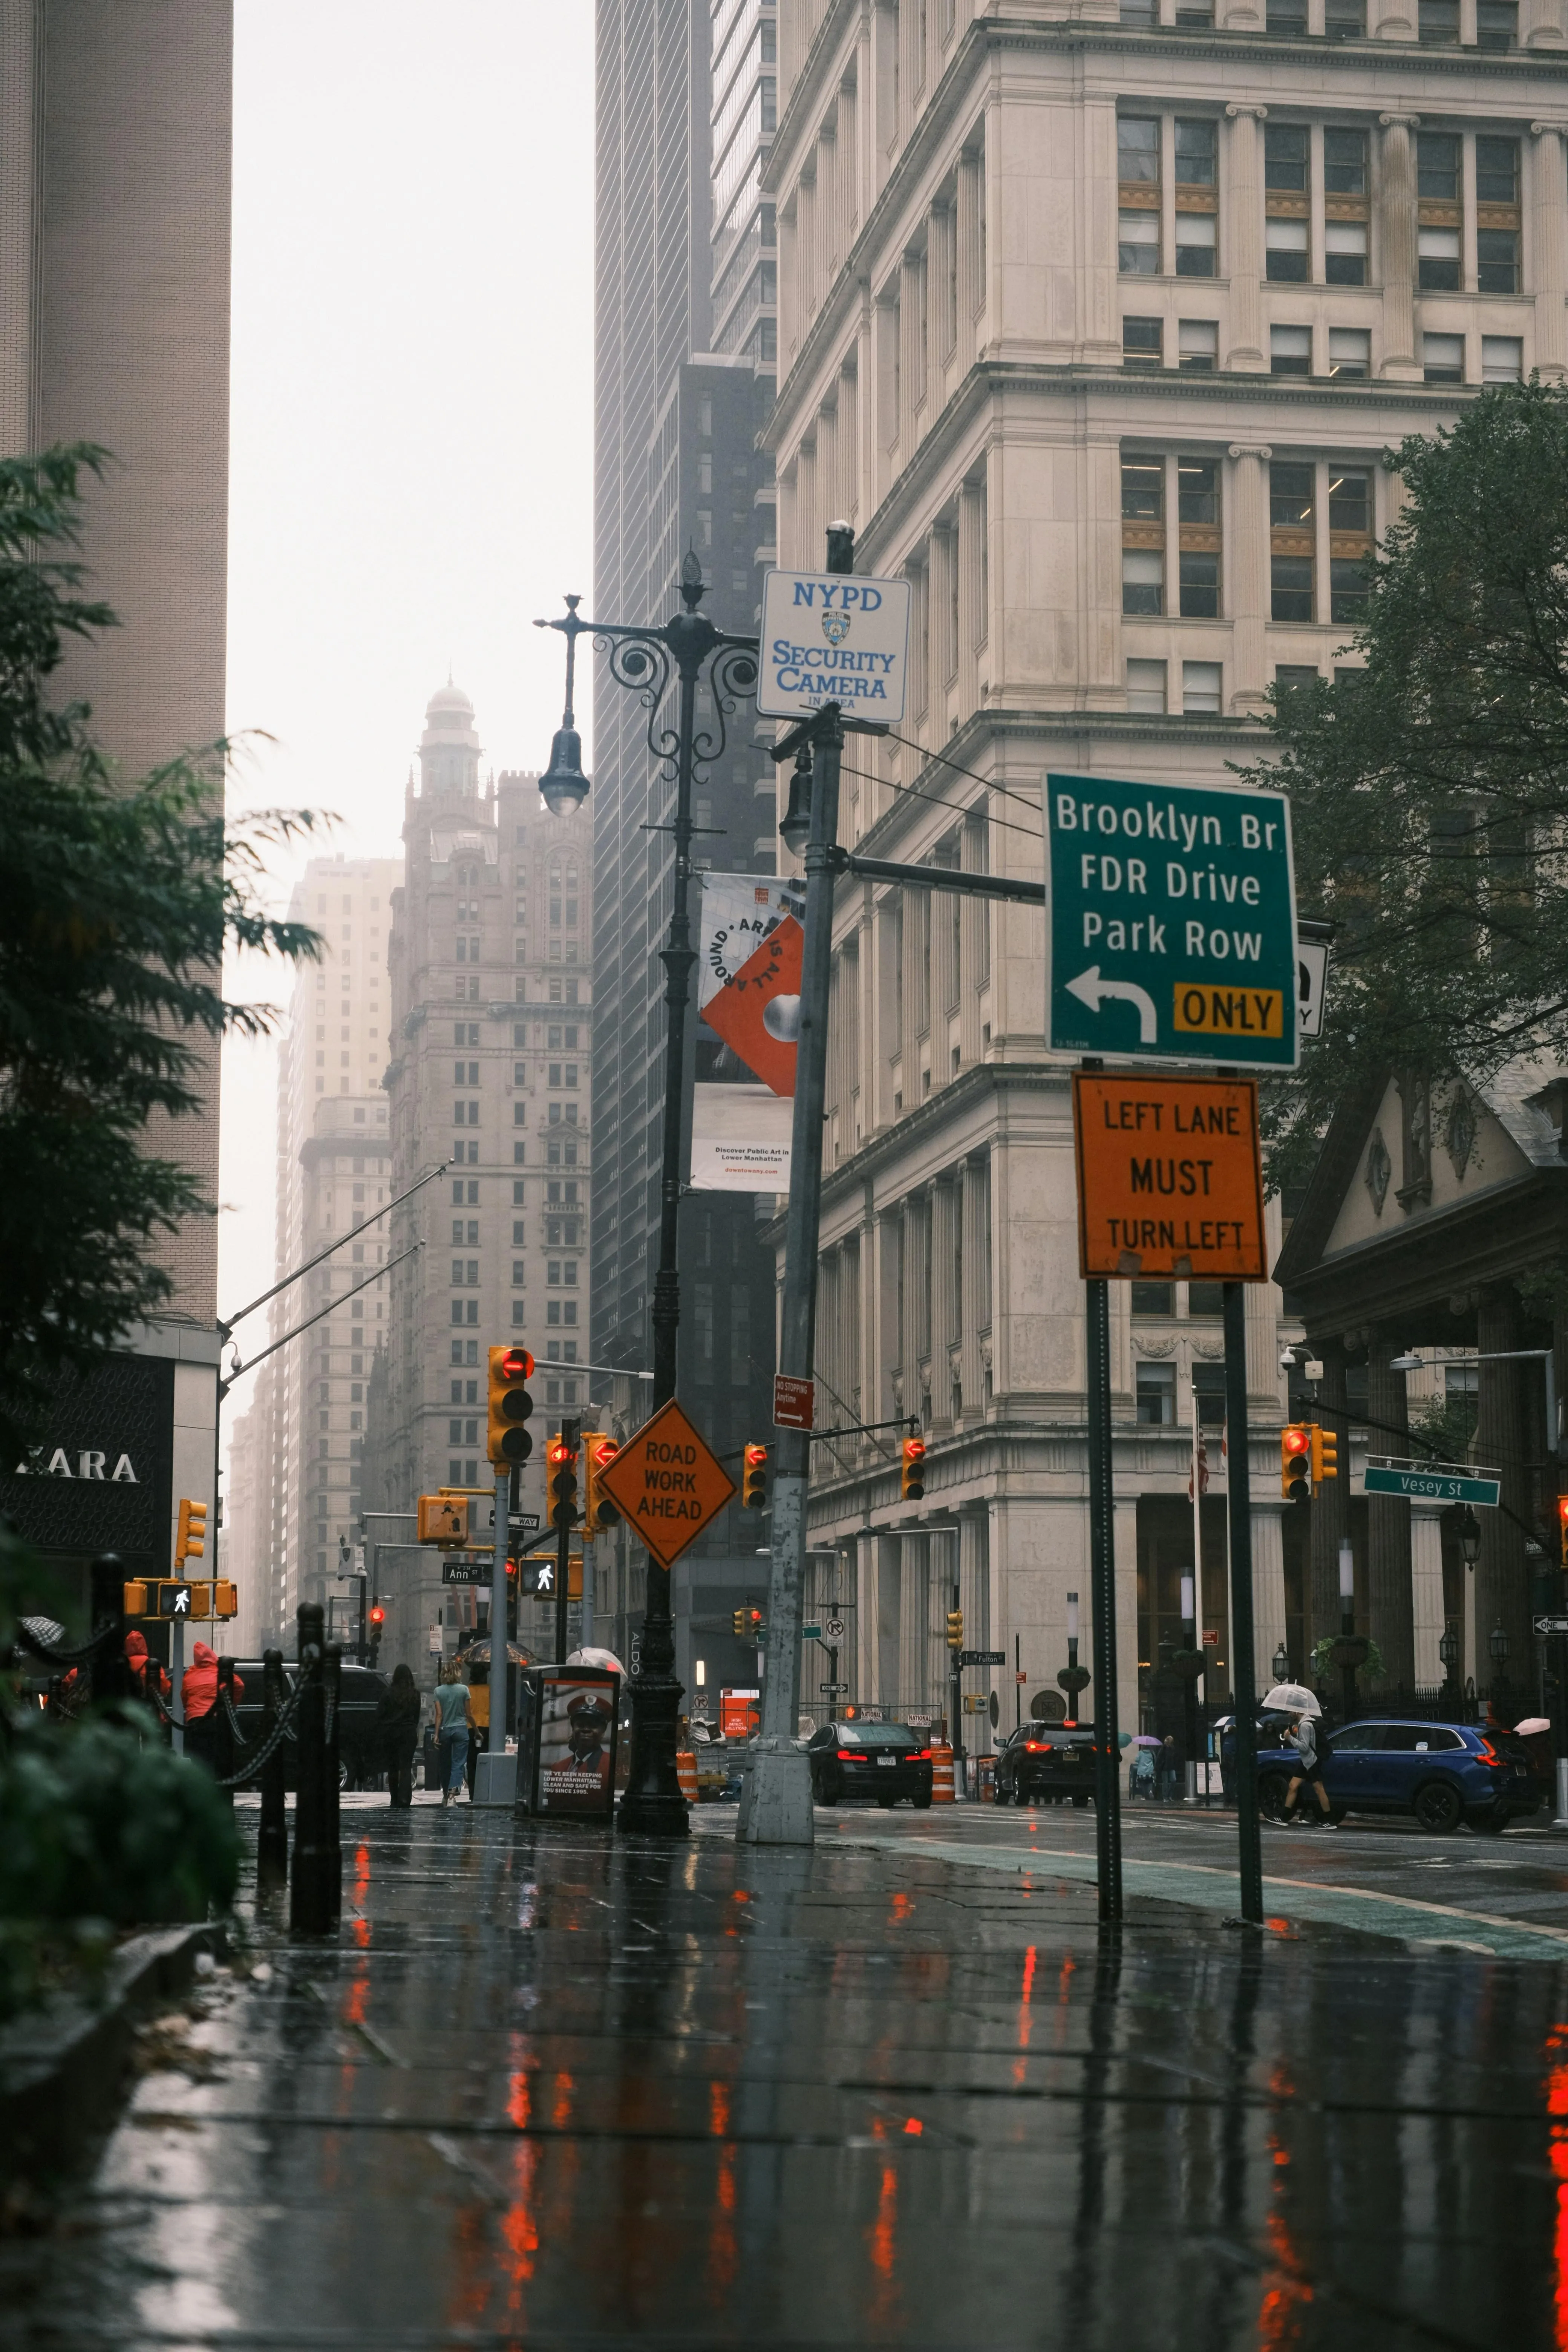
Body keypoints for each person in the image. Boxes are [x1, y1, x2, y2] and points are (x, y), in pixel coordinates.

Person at [182, 1641, 244, 1770]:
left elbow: (184, 1698)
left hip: (195, 1721)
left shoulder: (189, 1676)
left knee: (199, 1759)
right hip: (217, 1719)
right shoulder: (219, 1673)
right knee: (218, 1757)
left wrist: (192, 1710)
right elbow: (239, 1685)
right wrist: (232, 1705)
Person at [376, 1663, 422, 1808]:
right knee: (406, 1767)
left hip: (391, 1733)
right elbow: (416, 1717)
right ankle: (405, 1799)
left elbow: (380, 1715)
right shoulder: (415, 1694)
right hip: (409, 1733)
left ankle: (394, 1799)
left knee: (393, 1767)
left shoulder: (388, 1693)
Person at [1280, 1708, 1334, 1825]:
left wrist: (1290, 1738)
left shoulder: (1305, 1725)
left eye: (1290, 1711)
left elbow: (1304, 1747)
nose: (1289, 1714)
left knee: (1319, 1788)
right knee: (1293, 1786)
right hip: (1306, 1761)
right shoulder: (1307, 1723)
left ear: (1296, 1711)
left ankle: (1329, 1820)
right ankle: (1284, 1817)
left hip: (1311, 1761)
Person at [432, 1661, 474, 1806]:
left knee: (445, 1764)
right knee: (458, 1764)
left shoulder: (438, 1691)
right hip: (461, 1730)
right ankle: (452, 1796)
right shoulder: (464, 1690)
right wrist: (477, 1730)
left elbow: (439, 1715)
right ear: (458, 1674)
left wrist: (437, 1734)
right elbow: (469, 1714)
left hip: (445, 1730)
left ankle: (445, 1794)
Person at [466, 1663, 490, 1798]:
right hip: (487, 1728)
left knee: (472, 1762)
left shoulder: (467, 1690)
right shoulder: (490, 1690)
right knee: (485, 1760)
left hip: (471, 1728)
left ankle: (473, 1793)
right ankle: (484, 1791)